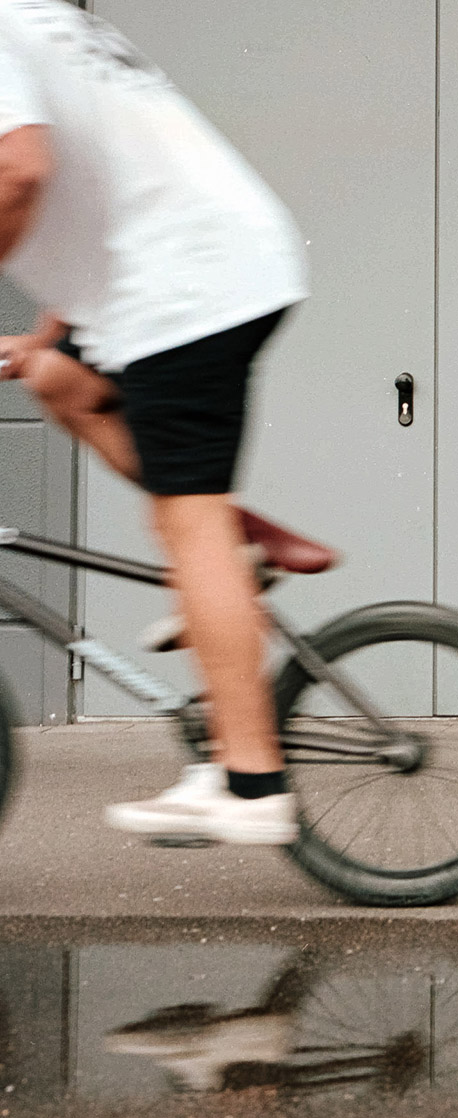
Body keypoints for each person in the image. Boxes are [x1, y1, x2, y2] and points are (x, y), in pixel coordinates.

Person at [0, 0, 308, 840]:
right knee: (56, 381)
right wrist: (49, 335)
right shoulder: (33, 18)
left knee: (185, 521)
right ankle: (232, 553)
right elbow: (101, 176)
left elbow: (20, 173)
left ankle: (251, 784)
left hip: (192, 290)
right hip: (179, 273)